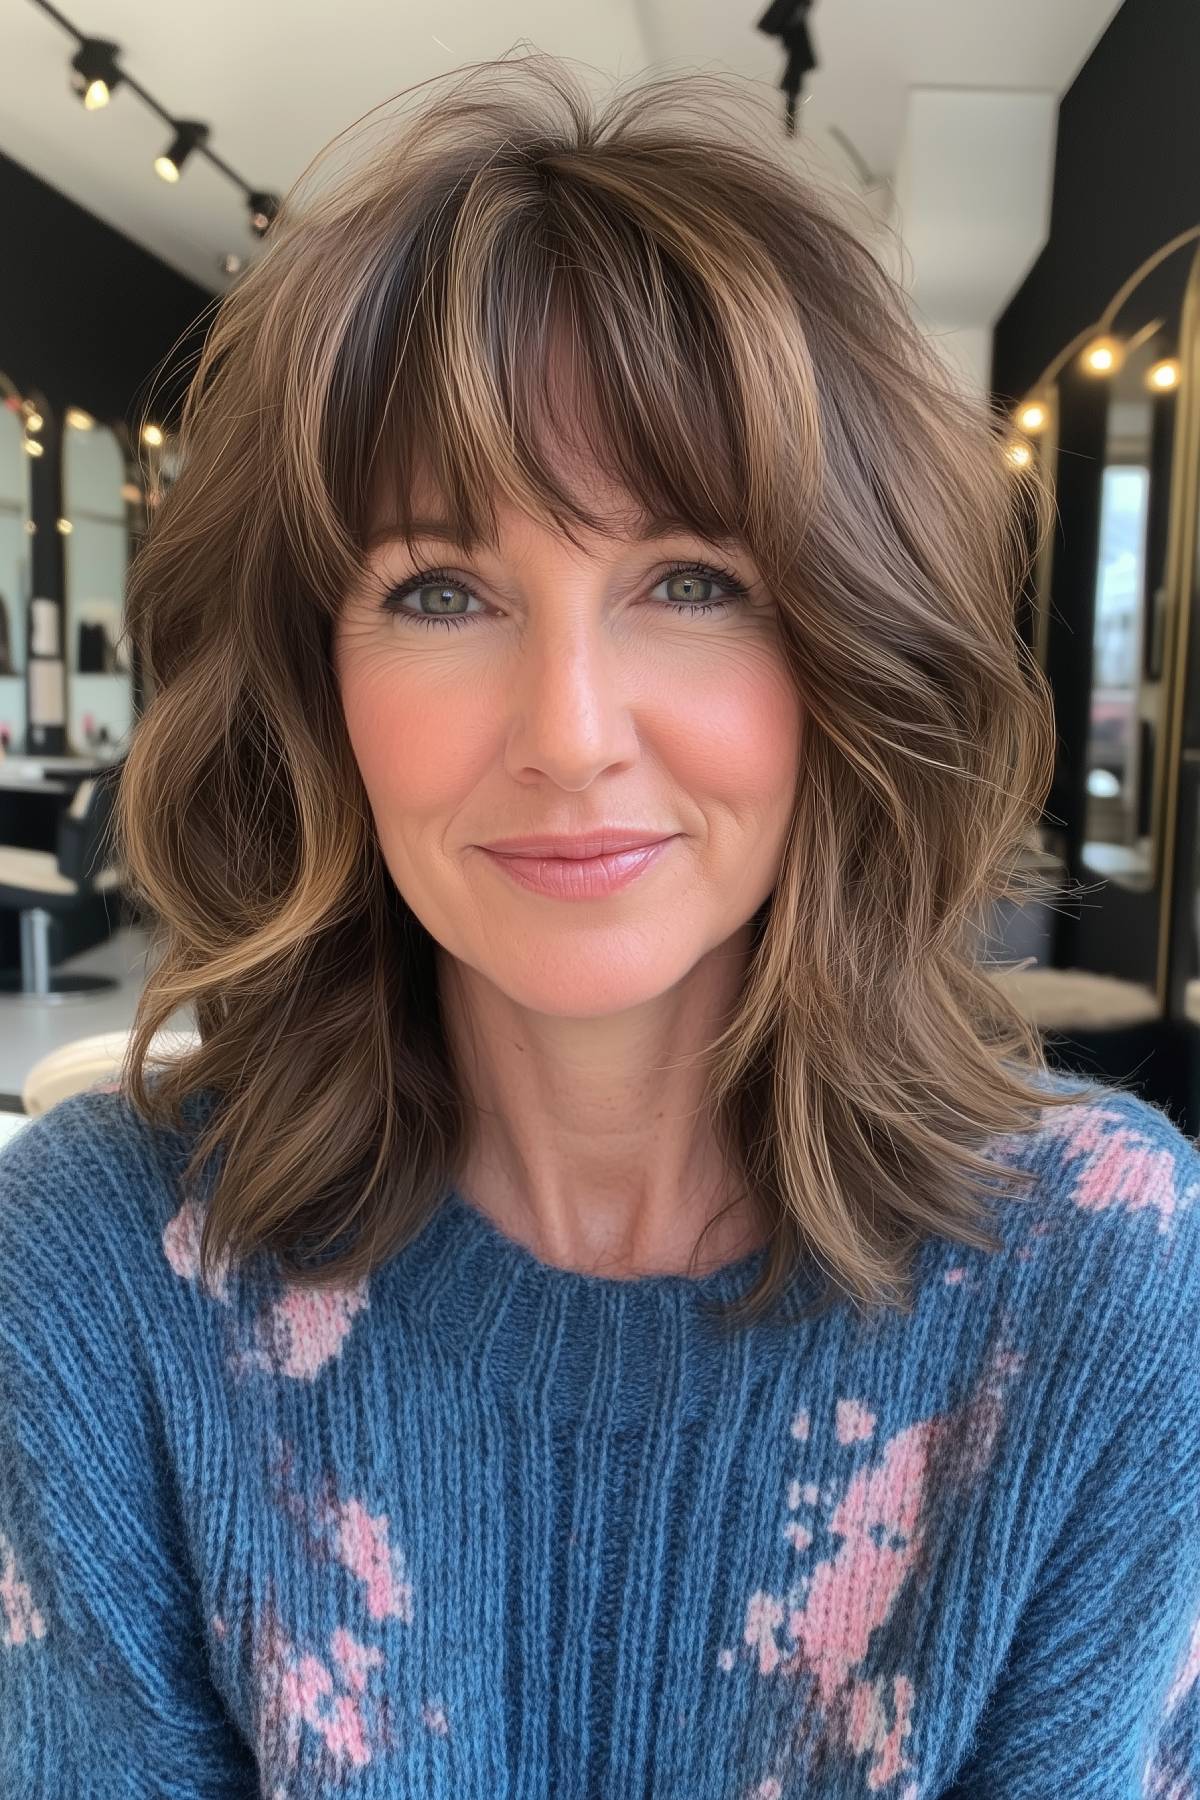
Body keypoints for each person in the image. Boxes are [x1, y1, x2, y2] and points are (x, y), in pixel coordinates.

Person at [1, 50, 1199, 1800]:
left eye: (692, 582)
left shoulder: (1107, 1285)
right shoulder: (104, 1270)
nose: (568, 727)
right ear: (312, 685)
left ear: (850, 661)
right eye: (440, 589)